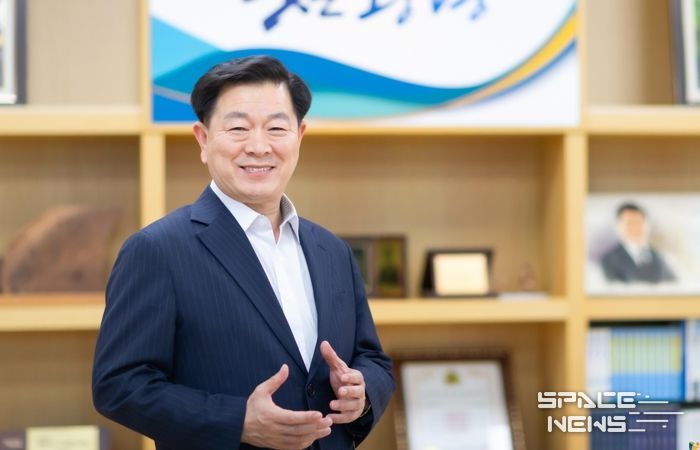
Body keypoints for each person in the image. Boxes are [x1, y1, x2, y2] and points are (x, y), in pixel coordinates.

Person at [92, 56, 395, 450]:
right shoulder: (156, 250)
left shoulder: (331, 250)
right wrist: (237, 422)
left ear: (299, 136)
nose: (258, 146)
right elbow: (119, 385)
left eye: (276, 128)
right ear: (203, 139)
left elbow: (372, 357)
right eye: (238, 128)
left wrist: (362, 391)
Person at [600, 202, 675, 284]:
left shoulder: (659, 257)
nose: (636, 227)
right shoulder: (608, 260)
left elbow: (673, 284)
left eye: (639, 222)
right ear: (619, 226)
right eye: (630, 223)